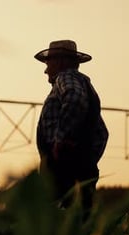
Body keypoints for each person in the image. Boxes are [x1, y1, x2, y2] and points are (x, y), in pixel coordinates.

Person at [34, 39, 108, 216]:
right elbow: (102, 133)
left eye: (48, 62)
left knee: (49, 215)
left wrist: (61, 140)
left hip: (61, 166)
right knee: (80, 215)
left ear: (60, 62)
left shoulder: (66, 77)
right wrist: (87, 159)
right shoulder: (85, 85)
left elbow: (74, 98)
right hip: (80, 166)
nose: (45, 70)